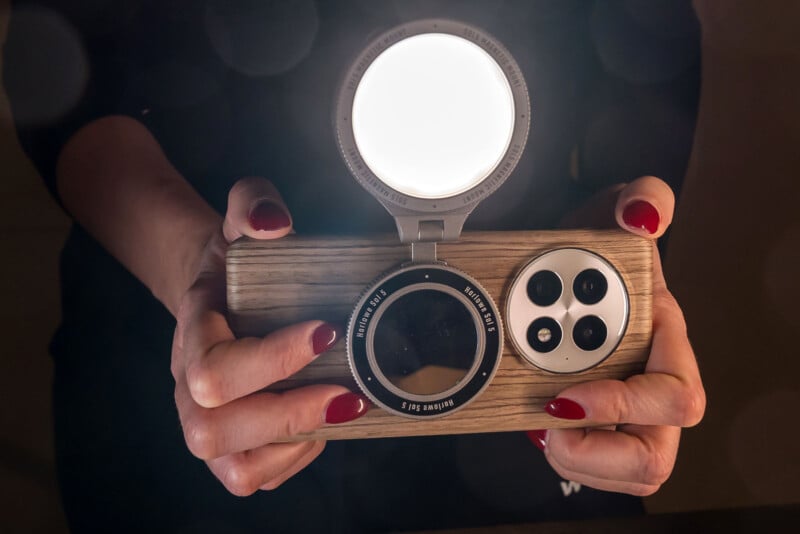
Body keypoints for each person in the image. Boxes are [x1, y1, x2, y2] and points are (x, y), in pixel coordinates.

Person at [4, 1, 705, 531]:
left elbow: (645, 73)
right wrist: (198, 265)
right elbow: (63, 66)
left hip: (514, 394)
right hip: (198, 356)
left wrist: (611, 284)